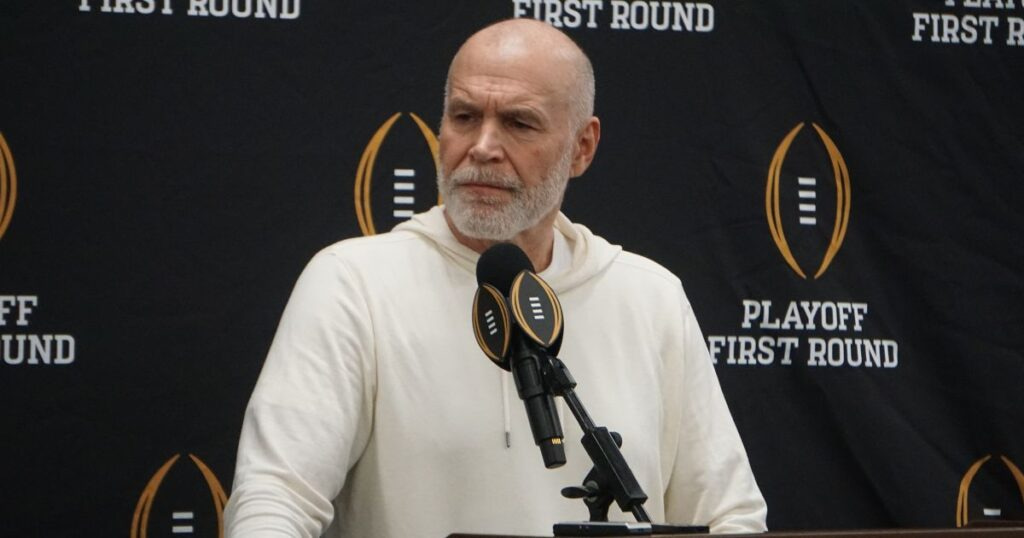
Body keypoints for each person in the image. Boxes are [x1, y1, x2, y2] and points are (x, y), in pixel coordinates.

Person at [224, 18, 767, 537]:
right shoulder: (352, 284)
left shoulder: (650, 297)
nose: (482, 147)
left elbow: (728, 516)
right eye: (464, 117)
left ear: (582, 147)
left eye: (518, 123)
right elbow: (275, 498)